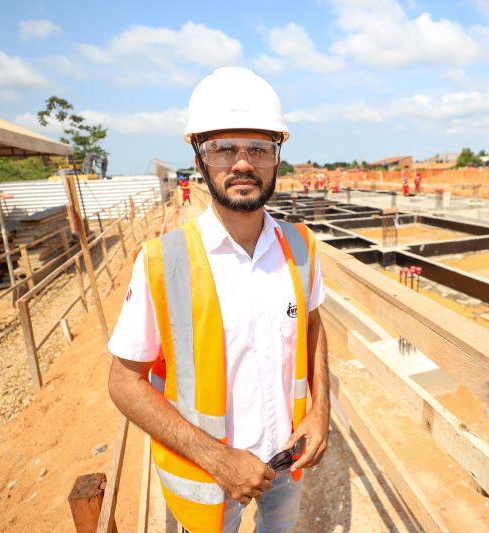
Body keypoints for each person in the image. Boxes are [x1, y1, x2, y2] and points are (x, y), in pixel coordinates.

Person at [107, 66, 329, 533]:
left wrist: (320, 409)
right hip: (208, 479)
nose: (242, 163)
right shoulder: (160, 263)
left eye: (259, 149)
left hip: (288, 461)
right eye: (223, 148)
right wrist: (218, 458)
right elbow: (124, 382)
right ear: (199, 158)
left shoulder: (301, 246)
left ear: (276, 157)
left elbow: (311, 325)